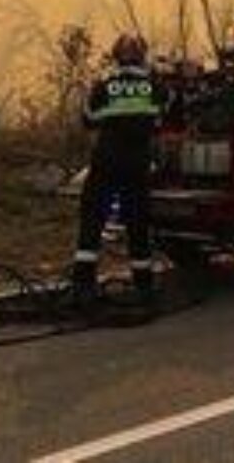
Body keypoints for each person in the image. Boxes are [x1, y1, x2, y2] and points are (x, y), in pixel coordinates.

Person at [72, 34, 167, 311]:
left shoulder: (105, 86)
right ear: (143, 56)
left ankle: (82, 288)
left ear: (115, 56)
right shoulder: (155, 87)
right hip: (137, 164)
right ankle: (144, 286)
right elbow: (165, 116)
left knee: (92, 222)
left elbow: (88, 120)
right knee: (137, 224)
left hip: (106, 163)